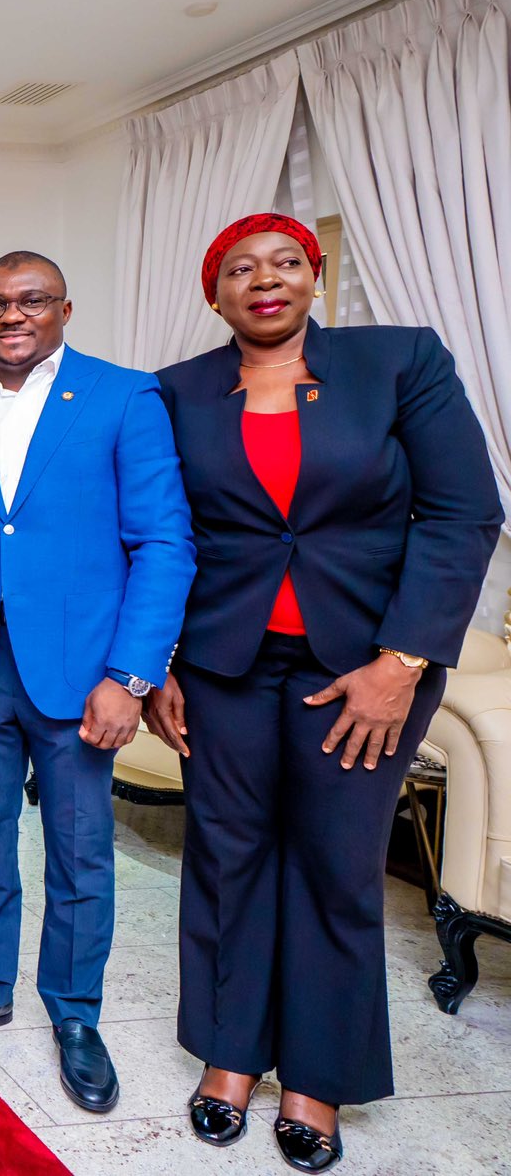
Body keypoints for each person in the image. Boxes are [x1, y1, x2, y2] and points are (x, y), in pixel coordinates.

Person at [150, 214, 500, 1171]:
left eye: (287, 264)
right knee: (225, 855)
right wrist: (163, 664)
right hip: (223, 663)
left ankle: (317, 1076)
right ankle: (229, 1054)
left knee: (338, 865)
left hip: (366, 667)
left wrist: (403, 661)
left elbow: (464, 512)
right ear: (213, 292)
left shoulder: (399, 363)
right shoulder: (177, 392)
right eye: (241, 270)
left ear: (315, 278)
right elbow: (164, 531)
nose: (266, 281)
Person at [0, 250, 194, 1107]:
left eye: (30, 301)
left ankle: (75, 1011)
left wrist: (130, 677)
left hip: (82, 673)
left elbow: (163, 544)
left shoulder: (125, 398)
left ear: (64, 309)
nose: (11, 316)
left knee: (81, 853)